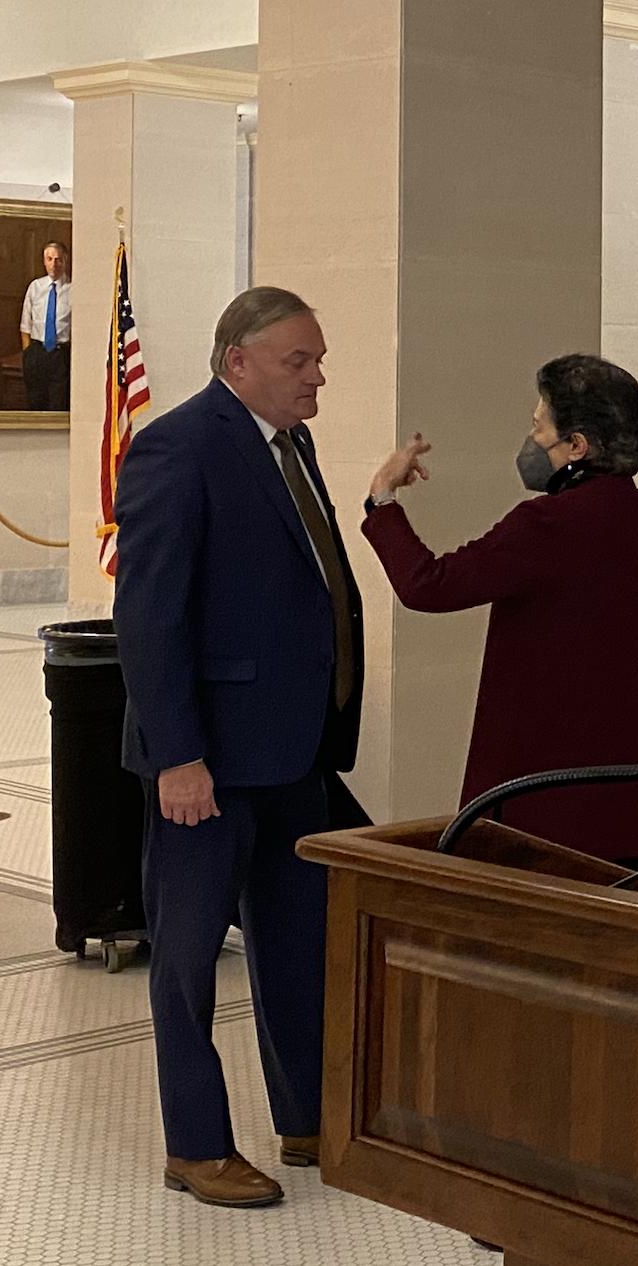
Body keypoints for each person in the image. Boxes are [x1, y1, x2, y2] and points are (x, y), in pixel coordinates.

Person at [114, 286, 366, 1209]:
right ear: (238, 362)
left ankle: (306, 1120)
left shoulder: (289, 445)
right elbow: (148, 617)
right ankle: (197, 1145)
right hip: (208, 763)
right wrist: (179, 755)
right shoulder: (179, 446)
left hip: (295, 752)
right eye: (299, 361)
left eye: (319, 359)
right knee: (186, 961)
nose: (317, 377)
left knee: (299, 942)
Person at [361, 354, 638, 870]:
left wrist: (383, 500)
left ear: (577, 445)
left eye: (538, 427)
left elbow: (428, 586)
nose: (530, 441)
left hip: (550, 796)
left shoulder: (549, 523)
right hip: (627, 786)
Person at [18, 242, 70, 410]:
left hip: (60, 354)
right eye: (50, 259)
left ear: (65, 261)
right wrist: (28, 353)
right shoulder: (35, 287)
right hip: (36, 353)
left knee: (58, 403)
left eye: (58, 259)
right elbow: (26, 324)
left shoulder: (73, 289)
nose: (54, 264)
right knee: (35, 403)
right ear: (44, 261)